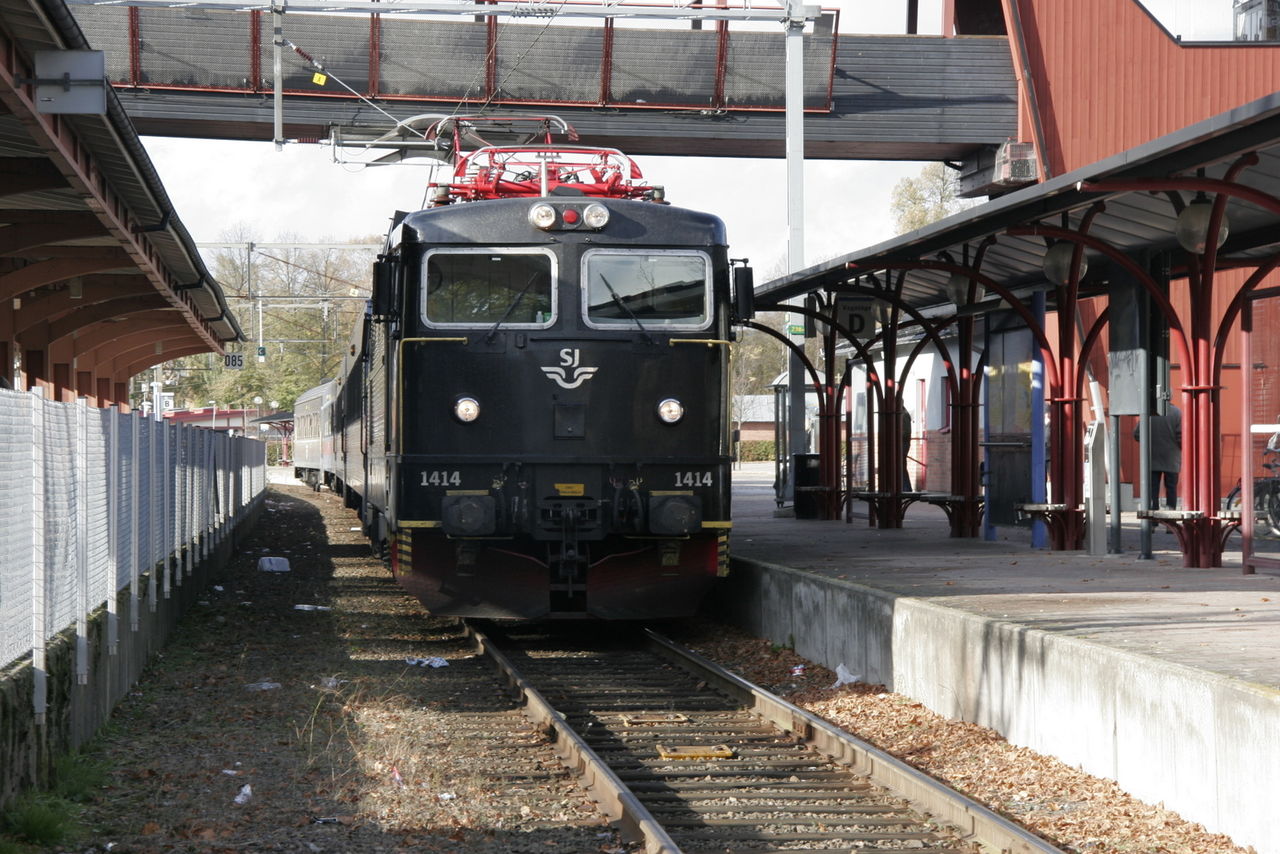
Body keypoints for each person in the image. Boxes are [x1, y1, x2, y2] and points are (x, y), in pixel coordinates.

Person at [1134, 403, 1181, 509]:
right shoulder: (1177, 413)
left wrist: (1149, 443)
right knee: (1171, 488)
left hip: (1152, 457)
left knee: (1152, 490)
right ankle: (1170, 517)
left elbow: (1137, 434)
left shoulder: (1148, 413)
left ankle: (1153, 518)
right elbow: (1181, 436)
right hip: (1172, 457)